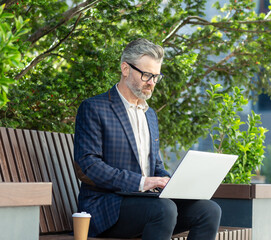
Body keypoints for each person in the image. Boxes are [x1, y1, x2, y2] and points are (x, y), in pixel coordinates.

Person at [74, 38, 221, 239]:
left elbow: (156, 165)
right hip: (106, 206)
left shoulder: (149, 114)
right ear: (125, 69)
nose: (151, 82)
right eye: (146, 75)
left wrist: (170, 182)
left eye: (156, 76)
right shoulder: (94, 108)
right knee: (164, 209)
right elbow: (89, 165)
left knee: (209, 210)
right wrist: (142, 182)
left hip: (148, 203)